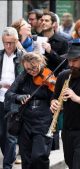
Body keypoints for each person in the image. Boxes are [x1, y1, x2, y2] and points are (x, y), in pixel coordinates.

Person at [5, 52, 53, 169]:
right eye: (28, 69)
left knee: (39, 156)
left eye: (34, 67)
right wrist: (18, 97)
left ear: (41, 63)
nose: (32, 71)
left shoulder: (48, 75)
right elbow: (9, 94)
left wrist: (54, 97)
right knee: (26, 158)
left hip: (43, 121)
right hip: (25, 121)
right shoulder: (23, 76)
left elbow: (56, 95)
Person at [0, 27, 24, 169]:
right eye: (5, 43)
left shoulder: (22, 56)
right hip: (0, 99)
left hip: (14, 100)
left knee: (10, 135)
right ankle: (10, 157)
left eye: (11, 42)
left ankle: (7, 165)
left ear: (17, 41)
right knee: (1, 134)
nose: (8, 46)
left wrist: (14, 87)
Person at [40, 11, 69, 76]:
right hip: (35, 79)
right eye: (42, 20)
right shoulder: (36, 38)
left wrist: (50, 52)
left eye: (46, 21)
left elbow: (64, 64)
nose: (43, 22)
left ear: (54, 24)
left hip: (54, 79)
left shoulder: (62, 41)